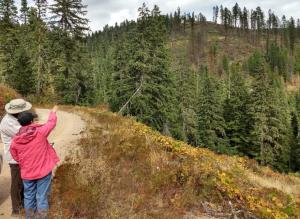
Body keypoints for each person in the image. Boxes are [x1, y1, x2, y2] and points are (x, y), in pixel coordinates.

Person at [10, 106, 59, 219]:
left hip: (27, 173)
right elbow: (51, 123)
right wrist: (53, 112)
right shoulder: (40, 133)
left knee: (28, 197)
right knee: (41, 197)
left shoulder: (15, 141)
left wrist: (26, 162)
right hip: (43, 171)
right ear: (32, 121)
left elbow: (16, 157)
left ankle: (30, 217)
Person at [0, 99, 33, 216]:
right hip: (15, 157)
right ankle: (16, 209)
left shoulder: (14, 119)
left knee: (23, 181)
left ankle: (23, 204)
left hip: (22, 155)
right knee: (17, 183)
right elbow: (25, 134)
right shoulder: (7, 122)